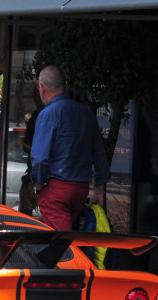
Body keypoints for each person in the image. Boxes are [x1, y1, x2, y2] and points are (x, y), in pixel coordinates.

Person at [30, 65, 109, 231]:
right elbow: (99, 152)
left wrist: (38, 184)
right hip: (81, 189)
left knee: (63, 247)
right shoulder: (86, 113)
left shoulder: (48, 113)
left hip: (56, 189)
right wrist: (100, 188)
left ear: (41, 88)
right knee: (66, 239)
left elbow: (40, 158)